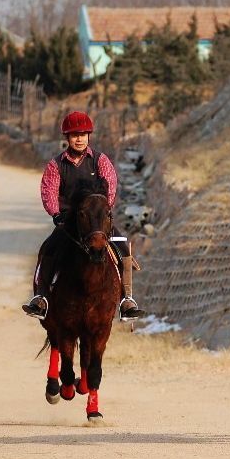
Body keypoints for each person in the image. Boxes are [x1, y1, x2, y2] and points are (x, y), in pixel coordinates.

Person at [22, 111, 145, 322]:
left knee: (123, 246)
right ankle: (41, 297)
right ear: (67, 138)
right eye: (74, 135)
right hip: (69, 222)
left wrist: (104, 210)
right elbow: (48, 191)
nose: (79, 139)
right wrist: (55, 213)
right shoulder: (56, 165)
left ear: (89, 135)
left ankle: (127, 300)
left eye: (83, 134)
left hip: (97, 220)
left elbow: (111, 187)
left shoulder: (101, 160)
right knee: (49, 248)